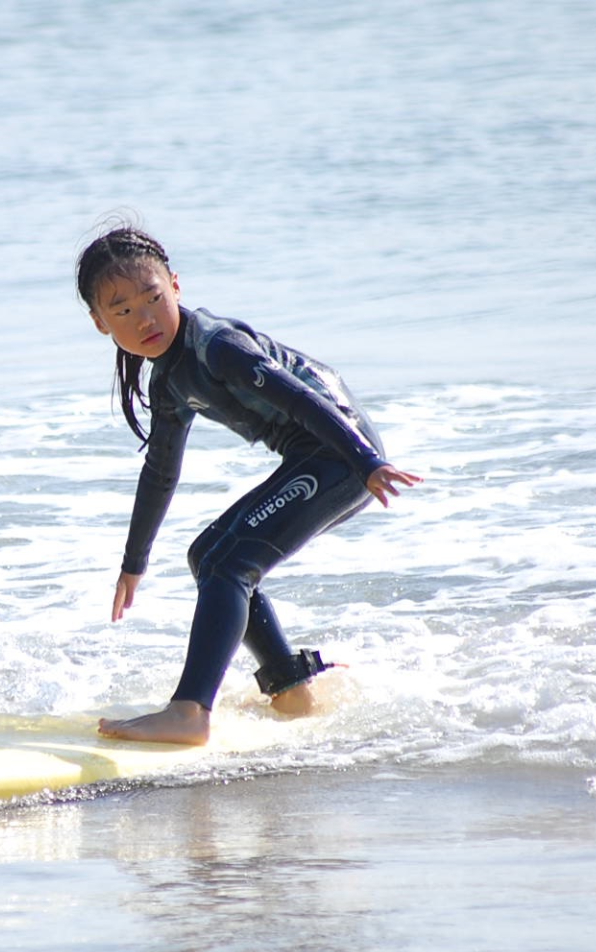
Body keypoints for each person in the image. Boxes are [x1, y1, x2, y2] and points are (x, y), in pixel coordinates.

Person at [77, 225, 421, 745]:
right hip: (321, 456)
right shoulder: (168, 379)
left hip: (338, 452)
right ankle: (290, 689)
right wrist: (134, 561)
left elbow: (302, 401)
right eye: (122, 310)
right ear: (100, 323)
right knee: (208, 556)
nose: (144, 318)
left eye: (153, 297)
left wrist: (365, 461)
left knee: (231, 563)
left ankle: (191, 712)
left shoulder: (217, 348)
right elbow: (161, 471)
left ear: (176, 286)